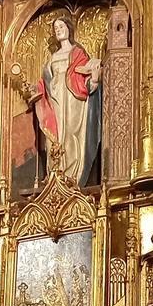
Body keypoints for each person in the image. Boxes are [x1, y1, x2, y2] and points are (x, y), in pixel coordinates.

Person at [29, 16, 102, 188]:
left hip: (74, 101)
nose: (59, 30)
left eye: (61, 26)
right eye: (56, 28)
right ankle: (57, 172)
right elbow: (45, 83)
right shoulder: (52, 59)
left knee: (72, 134)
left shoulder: (78, 54)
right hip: (55, 100)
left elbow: (87, 82)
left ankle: (73, 175)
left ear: (69, 29)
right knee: (55, 137)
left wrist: (95, 79)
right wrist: (34, 90)